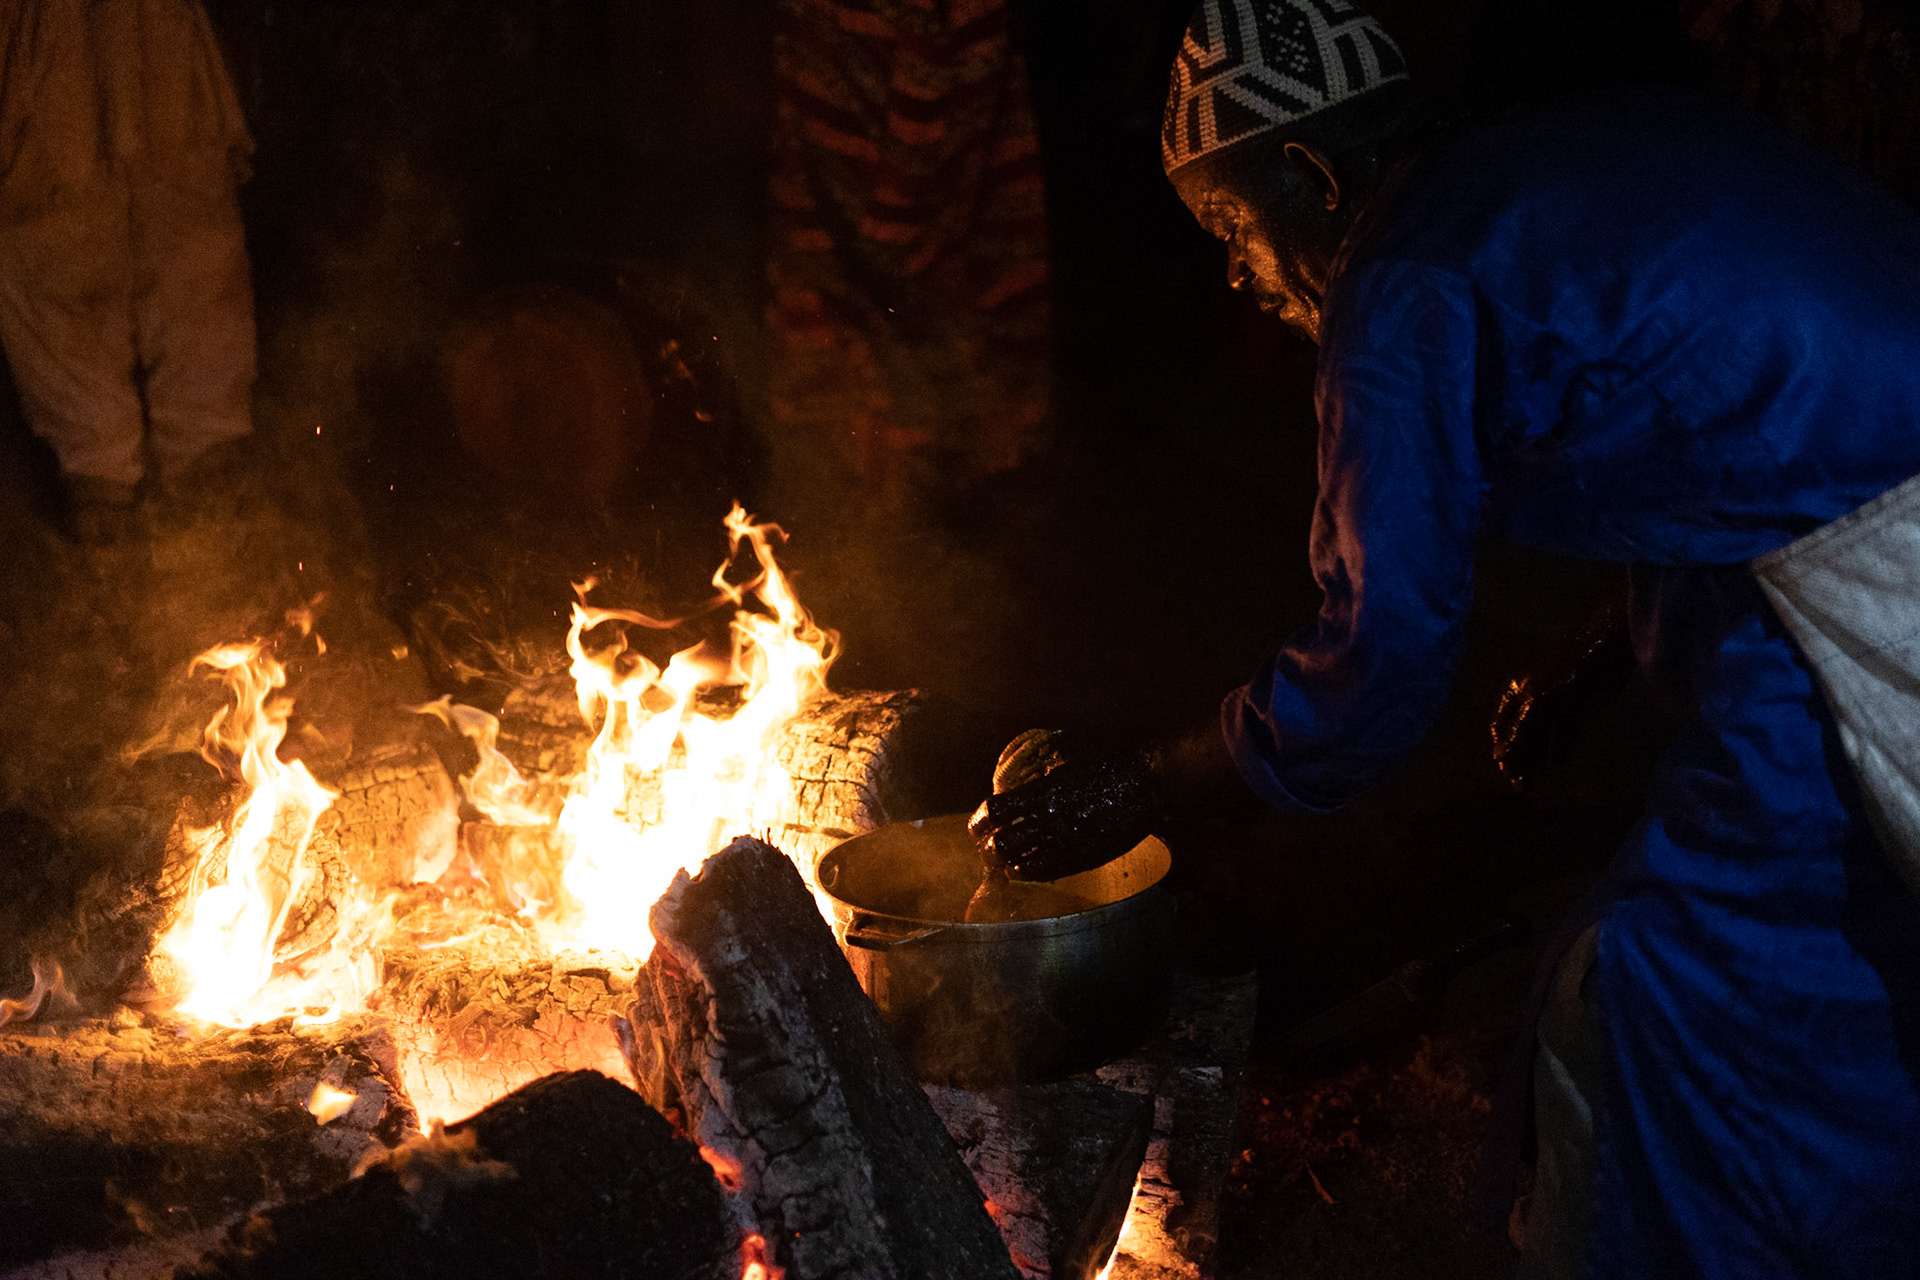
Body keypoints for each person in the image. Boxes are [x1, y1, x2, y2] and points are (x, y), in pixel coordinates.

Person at [970, 0, 1920, 1274]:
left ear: (1308, 175)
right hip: (1850, 507)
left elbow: (1380, 660)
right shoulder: (1527, 170)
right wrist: (1600, 647)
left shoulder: (1401, 281)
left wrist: (1149, 780)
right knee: (1811, 922)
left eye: (1234, 232)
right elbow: (1717, 412)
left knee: (1708, 974)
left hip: (1889, 538)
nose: (1240, 280)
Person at [0, 0, 256, 541]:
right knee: (68, 258)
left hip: (138, 45)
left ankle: (194, 496)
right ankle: (113, 508)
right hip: (57, 59)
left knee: (182, 252)